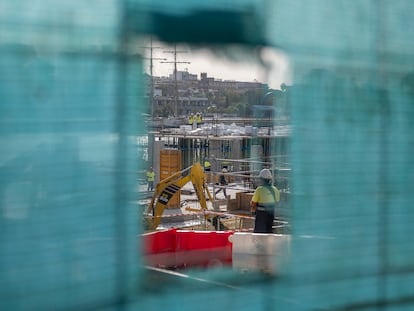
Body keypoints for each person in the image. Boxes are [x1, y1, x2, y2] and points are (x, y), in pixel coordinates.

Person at [250, 168, 280, 233]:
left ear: (262, 179)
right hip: (271, 215)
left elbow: (253, 203)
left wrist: (253, 211)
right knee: (268, 232)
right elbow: (277, 201)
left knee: (259, 234)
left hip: (261, 215)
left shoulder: (259, 190)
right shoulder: (275, 190)